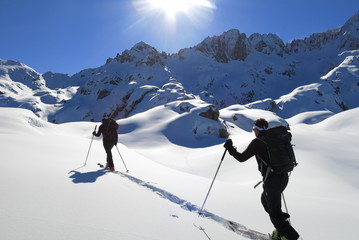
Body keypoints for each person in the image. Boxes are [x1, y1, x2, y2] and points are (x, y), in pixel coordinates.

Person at [224, 118, 300, 240]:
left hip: (272, 180)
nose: (253, 131)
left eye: (254, 129)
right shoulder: (275, 139)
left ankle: (290, 237)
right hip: (283, 177)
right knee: (266, 202)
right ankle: (283, 225)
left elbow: (242, 158)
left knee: (274, 213)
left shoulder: (258, 142)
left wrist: (230, 148)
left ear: (257, 130)